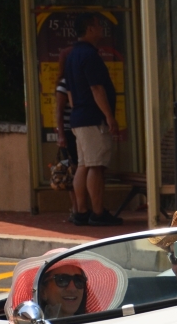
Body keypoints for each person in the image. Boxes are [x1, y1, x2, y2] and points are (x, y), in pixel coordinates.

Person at [63, 13, 124, 227]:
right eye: (98, 25)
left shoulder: (71, 56)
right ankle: (97, 212)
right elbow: (97, 88)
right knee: (96, 165)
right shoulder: (90, 56)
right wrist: (109, 116)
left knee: (84, 164)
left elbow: (70, 91)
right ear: (89, 28)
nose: (101, 29)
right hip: (92, 118)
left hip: (78, 117)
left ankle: (81, 210)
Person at [53, 54, 79, 221]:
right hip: (69, 131)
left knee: (76, 169)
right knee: (73, 170)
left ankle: (78, 207)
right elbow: (59, 111)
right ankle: (76, 208)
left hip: (75, 130)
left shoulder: (74, 82)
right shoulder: (64, 84)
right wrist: (61, 134)